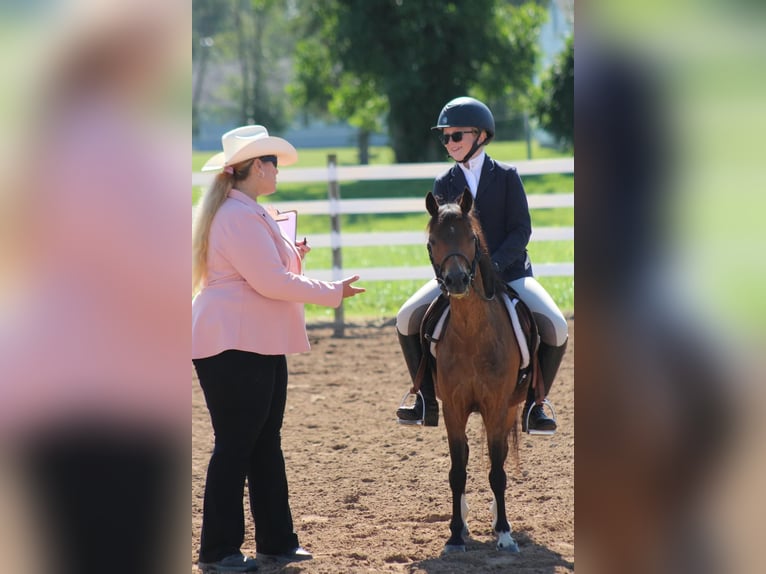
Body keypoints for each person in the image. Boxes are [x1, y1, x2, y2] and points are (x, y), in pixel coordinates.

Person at [192, 125, 364, 573]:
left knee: (264, 441)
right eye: (269, 161)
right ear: (252, 169)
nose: (275, 168)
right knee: (236, 444)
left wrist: (293, 254)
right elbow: (268, 282)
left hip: (252, 338)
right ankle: (218, 550)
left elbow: (268, 271)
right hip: (235, 341)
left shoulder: (248, 211)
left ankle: (276, 541)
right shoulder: (238, 215)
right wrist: (330, 291)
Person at [395, 96, 569, 433]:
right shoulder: (444, 183)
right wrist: (450, 274)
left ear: (481, 136)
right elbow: (440, 238)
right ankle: (425, 399)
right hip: (457, 277)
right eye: (445, 137)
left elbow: (522, 229)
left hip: (510, 273)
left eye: (456, 136)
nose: (450, 143)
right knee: (405, 318)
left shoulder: (506, 176)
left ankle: (536, 404)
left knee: (558, 327)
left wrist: (495, 266)